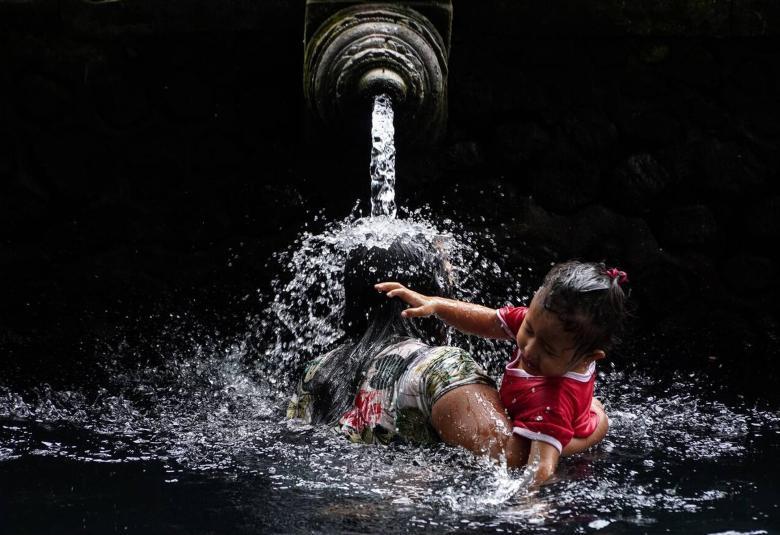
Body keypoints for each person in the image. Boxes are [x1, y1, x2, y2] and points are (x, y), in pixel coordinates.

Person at [288, 236, 608, 483]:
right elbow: (507, 460)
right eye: (444, 273)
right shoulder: (443, 368)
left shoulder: (318, 369)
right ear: (421, 292)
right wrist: (595, 428)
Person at [375, 260, 628, 484]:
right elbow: (488, 321)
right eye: (528, 329)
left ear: (588, 358)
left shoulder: (552, 401)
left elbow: (540, 467)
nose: (529, 348)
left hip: (554, 437)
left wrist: (528, 504)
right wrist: (437, 305)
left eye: (548, 350)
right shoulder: (546, 328)